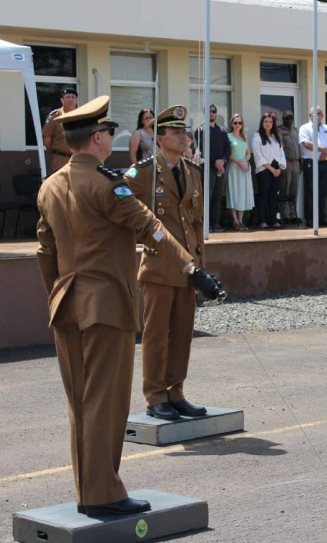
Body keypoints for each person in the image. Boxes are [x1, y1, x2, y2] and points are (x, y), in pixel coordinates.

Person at [35, 95, 222, 517]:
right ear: (97, 139)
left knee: (81, 403)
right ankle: (103, 493)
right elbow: (150, 228)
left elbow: (44, 253)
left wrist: (58, 294)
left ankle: (89, 490)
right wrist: (191, 269)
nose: (111, 139)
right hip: (106, 305)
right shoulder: (108, 184)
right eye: (108, 132)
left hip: (66, 305)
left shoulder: (50, 186)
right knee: (107, 402)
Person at [125, 105, 209, 421]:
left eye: (184, 132)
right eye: (175, 133)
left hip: (188, 269)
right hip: (159, 267)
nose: (183, 137)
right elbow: (121, 202)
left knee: (182, 335)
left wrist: (200, 266)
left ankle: (175, 392)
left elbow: (195, 223)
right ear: (159, 138)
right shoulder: (144, 172)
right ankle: (156, 396)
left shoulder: (192, 170)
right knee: (157, 335)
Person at [299, 105, 327, 227]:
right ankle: (310, 219)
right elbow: (306, 144)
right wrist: (323, 149)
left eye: (319, 113)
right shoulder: (304, 128)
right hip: (311, 163)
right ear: (310, 115)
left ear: (323, 115)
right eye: (315, 114)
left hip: (324, 163)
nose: (317, 116)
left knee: (323, 192)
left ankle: (322, 218)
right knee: (310, 191)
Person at [195, 104, 229, 231]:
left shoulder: (222, 130)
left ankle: (215, 223)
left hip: (221, 168)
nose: (211, 113)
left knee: (217, 196)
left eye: (214, 111)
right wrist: (216, 162)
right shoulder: (200, 130)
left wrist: (223, 161)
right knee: (207, 196)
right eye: (209, 111)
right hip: (208, 167)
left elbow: (228, 148)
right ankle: (206, 224)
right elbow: (203, 149)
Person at [251, 113, 286, 229]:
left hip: (276, 169)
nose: (268, 124)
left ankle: (273, 220)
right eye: (266, 121)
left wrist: (280, 168)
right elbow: (258, 155)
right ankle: (262, 220)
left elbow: (281, 153)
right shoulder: (257, 136)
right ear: (262, 123)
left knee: (273, 195)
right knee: (263, 195)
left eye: (270, 122)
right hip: (264, 169)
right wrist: (271, 169)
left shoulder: (276, 137)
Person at [226, 114, 254, 231]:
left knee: (242, 193)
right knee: (234, 192)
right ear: (232, 124)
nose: (238, 125)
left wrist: (245, 161)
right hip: (233, 167)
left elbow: (249, 153)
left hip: (244, 169)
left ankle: (241, 220)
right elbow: (227, 153)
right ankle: (235, 220)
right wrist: (238, 162)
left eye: (240, 123)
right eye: (235, 123)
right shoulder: (228, 136)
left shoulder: (244, 137)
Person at [42, 88, 78, 173]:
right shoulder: (54, 116)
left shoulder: (82, 115)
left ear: (76, 100)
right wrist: (56, 153)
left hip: (78, 159)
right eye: (68, 97)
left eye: (73, 97)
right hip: (60, 159)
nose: (70, 99)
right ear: (62, 100)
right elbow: (47, 139)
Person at [277, 111, 302, 223]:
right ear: (283, 119)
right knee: (284, 189)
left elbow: (299, 146)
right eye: (287, 118)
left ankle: (293, 214)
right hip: (286, 162)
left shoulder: (296, 130)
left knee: (294, 189)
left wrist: (301, 161)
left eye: (291, 118)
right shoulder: (280, 130)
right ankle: (285, 215)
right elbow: (281, 146)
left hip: (296, 162)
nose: (289, 120)